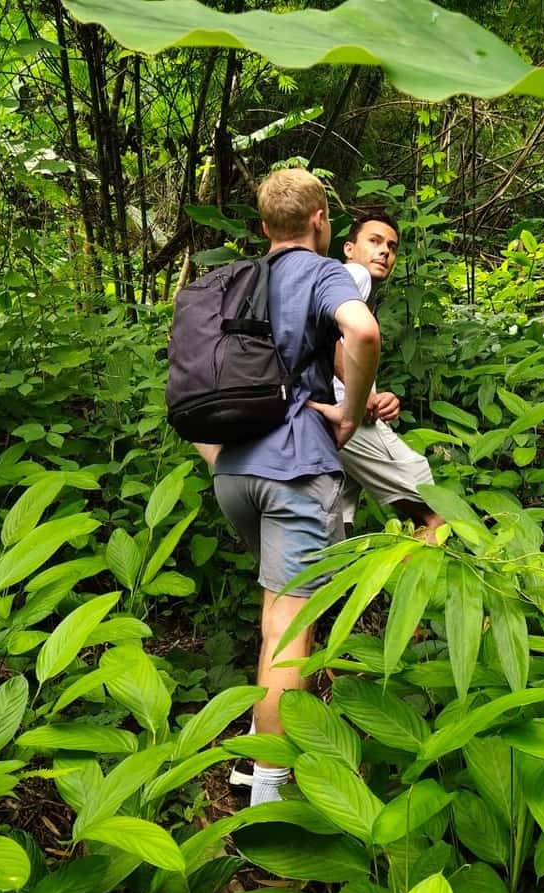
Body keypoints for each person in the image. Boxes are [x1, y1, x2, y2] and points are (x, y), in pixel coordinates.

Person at [208, 169, 380, 805]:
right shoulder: (320, 271)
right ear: (319, 219)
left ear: (261, 227)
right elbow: (361, 331)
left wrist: (215, 457)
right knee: (290, 627)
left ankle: (255, 759)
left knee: (275, 617)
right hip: (296, 469)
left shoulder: (235, 279)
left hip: (235, 470)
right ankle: (270, 798)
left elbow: (188, 373)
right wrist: (350, 411)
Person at [328, 214, 444, 534]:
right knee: (433, 511)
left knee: (338, 524)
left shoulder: (356, 293)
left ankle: (349, 583)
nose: (385, 253)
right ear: (349, 248)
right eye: (375, 241)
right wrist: (360, 392)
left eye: (391, 247)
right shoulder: (352, 274)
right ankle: (426, 582)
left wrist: (377, 394)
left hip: (322, 417)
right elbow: (321, 333)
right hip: (343, 414)